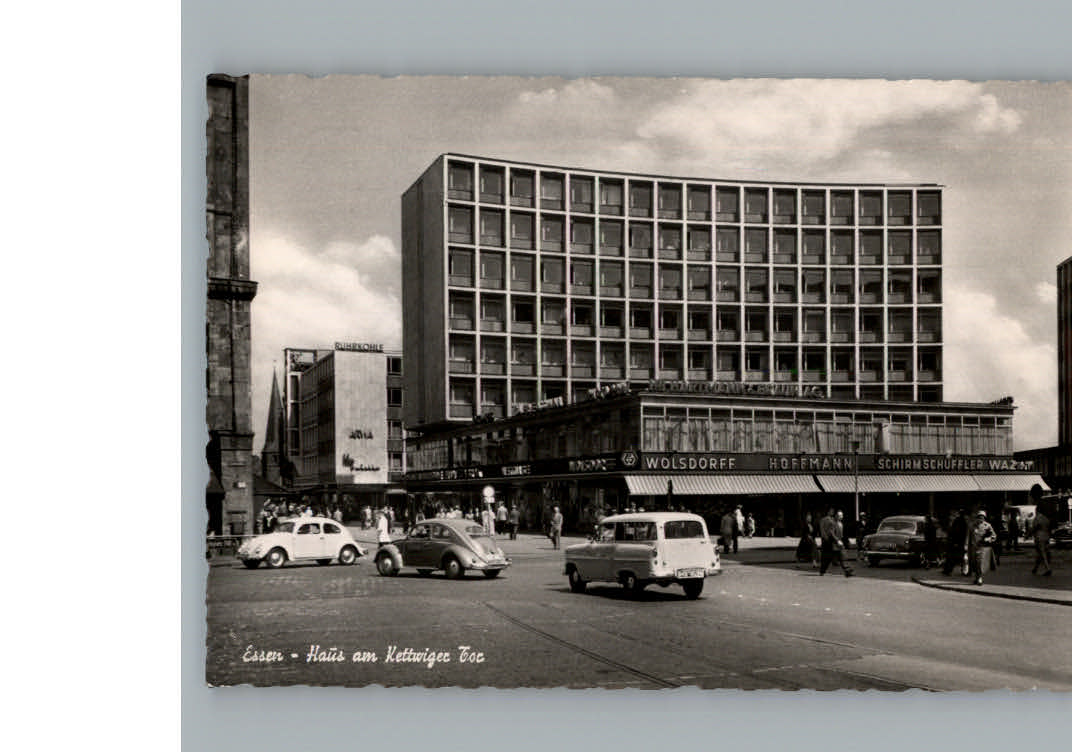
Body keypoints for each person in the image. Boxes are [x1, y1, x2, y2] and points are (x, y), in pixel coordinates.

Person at [819, 507, 854, 577]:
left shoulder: (841, 523)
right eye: (840, 515)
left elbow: (842, 535)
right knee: (828, 558)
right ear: (837, 516)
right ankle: (822, 570)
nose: (842, 517)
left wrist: (846, 541)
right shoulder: (833, 523)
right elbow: (831, 533)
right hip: (833, 544)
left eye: (842, 515)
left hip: (839, 544)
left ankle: (847, 570)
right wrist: (837, 540)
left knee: (843, 556)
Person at [967, 509, 997, 585]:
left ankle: (979, 578)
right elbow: (968, 537)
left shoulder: (987, 526)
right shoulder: (972, 525)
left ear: (984, 518)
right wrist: (966, 546)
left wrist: (988, 539)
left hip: (982, 547)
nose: (980, 518)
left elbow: (994, 536)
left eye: (982, 517)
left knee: (979, 563)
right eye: (979, 517)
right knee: (973, 563)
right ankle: (977, 577)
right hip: (973, 547)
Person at [943, 509, 970, 576]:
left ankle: (949, 571)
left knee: (952, 557)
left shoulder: (957, 521)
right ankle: (964, 571)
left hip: (956, 542)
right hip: (961, 542)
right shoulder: (964, 522)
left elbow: (955, 532)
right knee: (961, 558)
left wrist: (955, 542)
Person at [1032, 504, 1053, 576]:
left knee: (1042, 553)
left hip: (1039, 536)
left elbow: (1034, 527)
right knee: (1040, 553)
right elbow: (1049, 527)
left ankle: (1048, 568)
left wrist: (1027, 535)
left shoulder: (1037, 518)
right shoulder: (1046, 518)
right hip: (1046, 536)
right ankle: (1035, 568)